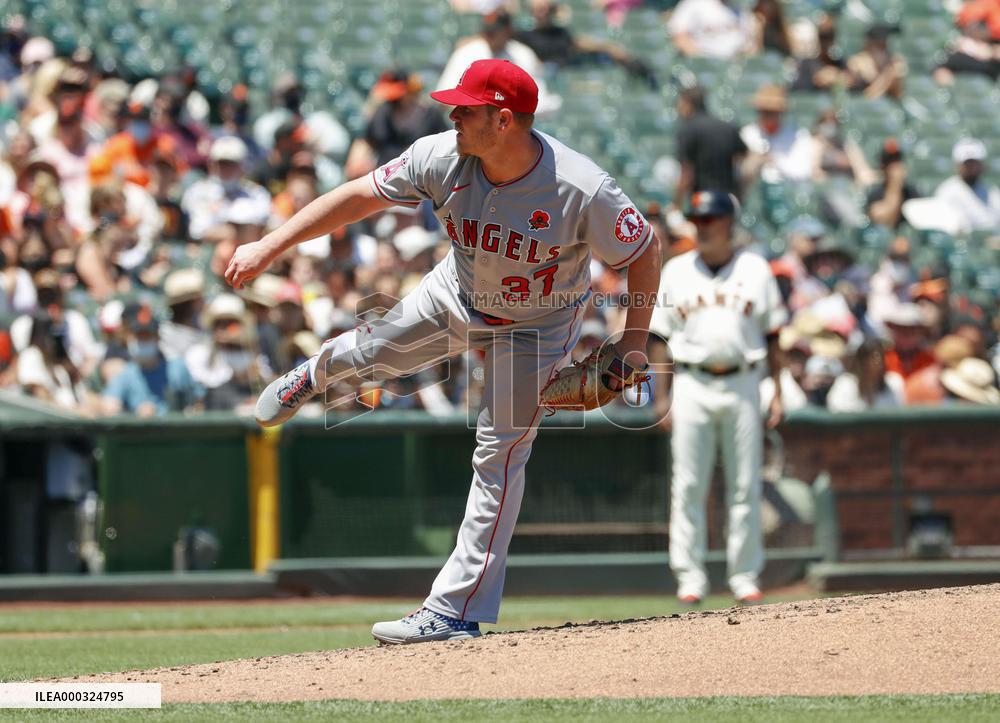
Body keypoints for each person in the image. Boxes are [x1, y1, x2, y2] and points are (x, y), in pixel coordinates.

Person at [224, 59, 661, 643]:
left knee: (501, 451)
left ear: (503, 120)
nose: (453, 114)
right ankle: (317, 372)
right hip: (457, 293)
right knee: (371, 354)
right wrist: (272, 244)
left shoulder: (581, 187)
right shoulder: (441, 155)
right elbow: (358, 196)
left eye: (467, 109)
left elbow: (643, 251)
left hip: (539, 322)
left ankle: (454, 610)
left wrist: (633, 341)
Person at [648, 190, 786, 606]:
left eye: (710, 219)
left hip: (746, 381)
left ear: (729, 222)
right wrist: (662, 394)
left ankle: (744, 576)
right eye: (697, 219)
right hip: (691, 383)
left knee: (745, 484)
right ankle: (690, 577)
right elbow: (661, 339)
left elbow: (773, 335)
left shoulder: (755, 268)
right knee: (689, 485)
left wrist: (777, 389)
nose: (702, 226)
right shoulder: (676, 270)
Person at [436, 11, 559, 115]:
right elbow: (445, 94)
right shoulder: (466, 53)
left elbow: (539, 96)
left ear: (507, 30)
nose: (488, 35)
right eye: (487, 31)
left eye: (493, 31)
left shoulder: (523, 54)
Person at [101, 306, 202, 416]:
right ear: (130, 338)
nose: (143, 341)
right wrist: (134, 415)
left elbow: (197, 401)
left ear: (157, 338)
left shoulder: (177, 368)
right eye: (139, 336)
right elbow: (109, 403)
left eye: (148, 336)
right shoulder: (126, 374)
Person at [674, 86, 747, 201]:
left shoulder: (687, 129)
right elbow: (743, 159)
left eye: (680, 103)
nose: (678, 108)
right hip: (727, 200)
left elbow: (687, 174)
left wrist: (676, 204)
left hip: (702, 202)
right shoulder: (727, 127)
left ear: (688, 103)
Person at [740, 85, 813, 184]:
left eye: (773, 112)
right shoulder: (747, 134)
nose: (768, 115)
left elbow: (803, 173)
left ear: (781, 112)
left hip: (787, 192)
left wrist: (774, 160)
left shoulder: (798, 136)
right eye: (764, 111)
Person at [933, 138, 1000, 233]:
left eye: (975, 162)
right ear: (958, 165)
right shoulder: (947, 191)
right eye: (967, 163)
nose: (972, 167)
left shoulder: (991, 190)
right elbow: (955, 229)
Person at [827, 337, 904, 411]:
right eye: (874, 357)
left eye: (882, 356)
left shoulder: (893, 383)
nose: (878, 362)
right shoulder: (845, 384)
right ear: (862, 360)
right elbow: (836, 414)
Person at [668, 0, 752, 60]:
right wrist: (701, 60)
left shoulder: (740, 7)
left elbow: (748, 44)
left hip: (734, 66)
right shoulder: (694, 3)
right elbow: (679, 36)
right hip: (702, 64)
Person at [866, 139, 919, 229]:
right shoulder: (876, 193)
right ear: (883, 167)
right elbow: (885, 222)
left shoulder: (911, 191)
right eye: (890, 162)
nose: (895, 166)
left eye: (897, 161)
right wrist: (895, 185)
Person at [847, 25, 906, 100]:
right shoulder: (857, 61)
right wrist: (888, 74)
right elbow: (867, 97)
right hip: (860, 106)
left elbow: (898, 95)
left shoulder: (894, 62)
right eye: (881, 42)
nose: (884, 45)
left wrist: (894, 75)